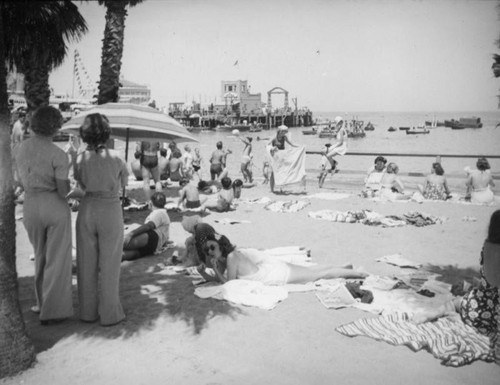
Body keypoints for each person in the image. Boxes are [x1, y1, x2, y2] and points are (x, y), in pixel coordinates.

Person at [412, 210, 500, 358]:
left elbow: (487, 279)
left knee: (456, 302)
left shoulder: (486, 248)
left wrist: (468, 287)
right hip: (494, 316)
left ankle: (434, 313)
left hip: (475, 310)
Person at [15, 106, 73, 325]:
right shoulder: (58, 154)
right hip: (54, 205)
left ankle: (40, 303)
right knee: (57, 258)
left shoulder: (20, 149)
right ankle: (53, 310)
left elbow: (19, 180)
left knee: (39, 255)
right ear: (55, 126)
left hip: (30, 204)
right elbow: (62, 190)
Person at [73, 113, 128, 326]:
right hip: (110, 208)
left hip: (88, 208)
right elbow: (123, 183)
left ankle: (88, 312)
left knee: (86, 263)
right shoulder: (116, 157)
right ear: (106, 133)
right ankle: (110, 313)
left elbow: (80, 184)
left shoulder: (79, 158)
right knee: (110, 263)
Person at [197, 232, 368, 285]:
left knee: (316, 275)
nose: (210, 251)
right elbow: (216, 279)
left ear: (221, 245)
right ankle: (344, 267)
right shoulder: (223, 259)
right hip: (270, 269)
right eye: (207, 250)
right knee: (312, 271)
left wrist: (214, 270)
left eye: (212, 247)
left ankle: (359, 275)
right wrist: (205, 272)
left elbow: (228, 283)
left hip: (274, 275)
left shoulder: (232, 256)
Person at [123, 192, 171, 261]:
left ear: (151, 203)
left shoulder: (159, 213)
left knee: (124, 244)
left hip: (153, 237)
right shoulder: (163, 213)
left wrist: (131, 234)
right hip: (155, 246)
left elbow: (149, 226)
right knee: (135, 253)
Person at [268, 125, 298, 192]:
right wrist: (272, 148)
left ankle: (281, 188)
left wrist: (299, 147)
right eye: (284, 132)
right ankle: (271, 189)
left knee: (282, 172)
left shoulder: (284, 137)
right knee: (273, 173)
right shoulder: (274, 137)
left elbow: (291, 144)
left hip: (282, 157)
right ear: (280, 131)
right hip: (274, 157)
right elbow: (267, 145)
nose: (285, 133)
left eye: (285, 132)